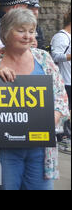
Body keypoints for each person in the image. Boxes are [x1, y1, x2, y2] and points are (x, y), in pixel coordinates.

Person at [0, 8, 69, 190]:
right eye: (21, 30)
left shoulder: (44, 58)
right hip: (2, 150)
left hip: (40, 150)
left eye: (31, 31)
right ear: (5, 32)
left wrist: (54, 117)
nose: (28, 36)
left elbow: (61, 97)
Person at [50, 9, 71, 153]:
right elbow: (55, 56)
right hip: (65, 80)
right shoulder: (61, 37)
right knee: (65, 110)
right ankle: (62, 137)